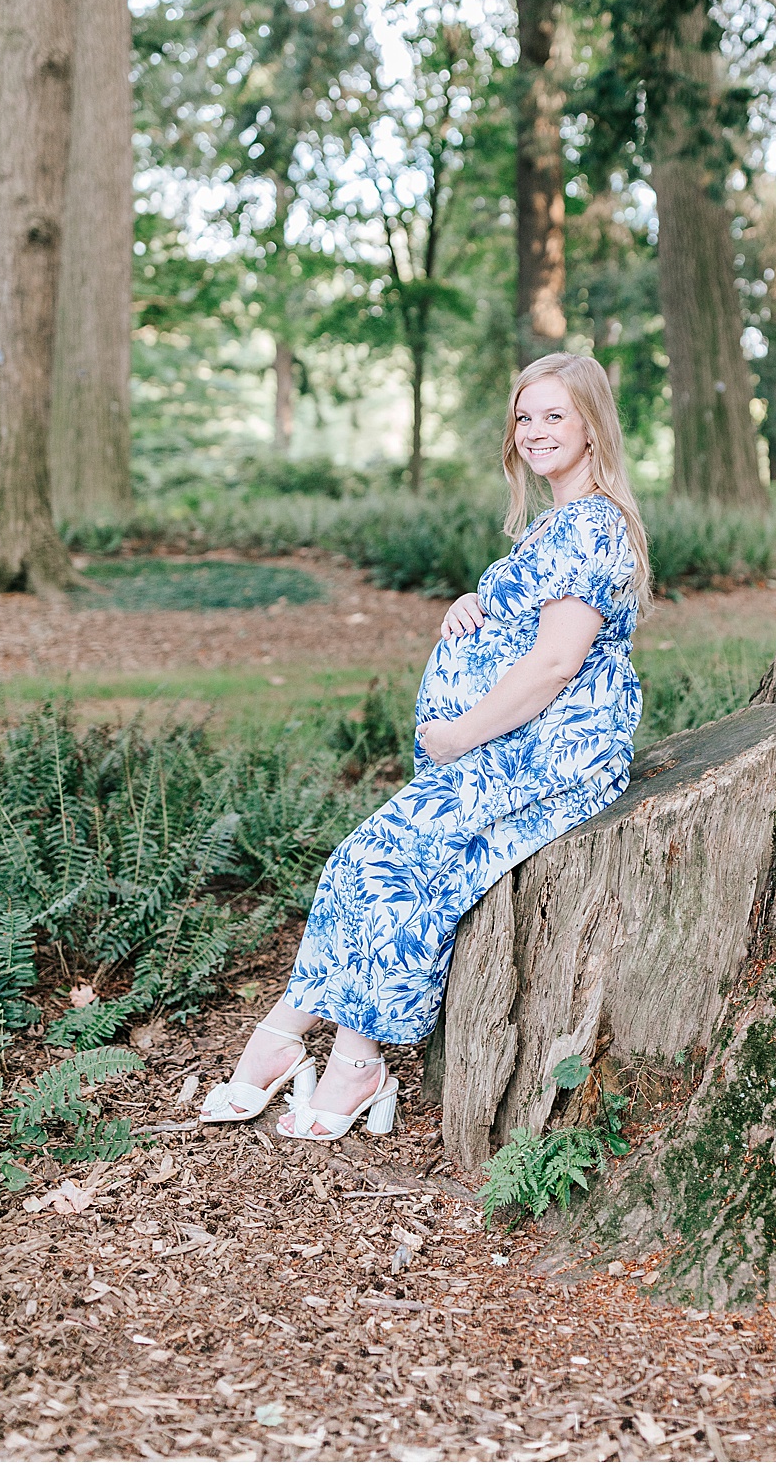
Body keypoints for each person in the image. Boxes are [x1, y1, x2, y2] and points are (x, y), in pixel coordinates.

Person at [201, 352, 652, 1140]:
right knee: (374, 861)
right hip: (516, 743)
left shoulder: (593, 521)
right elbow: (536, 616)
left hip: (556, 749)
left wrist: (458, 736)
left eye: (555, 414)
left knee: (388, 858)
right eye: (524, 415)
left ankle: (332, 1054)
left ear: (591, 423)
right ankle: (313, 1043)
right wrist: (480, 598)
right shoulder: (555, 524)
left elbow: (555, 661)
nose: (536, 430)